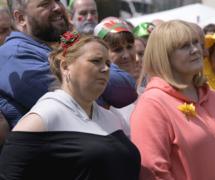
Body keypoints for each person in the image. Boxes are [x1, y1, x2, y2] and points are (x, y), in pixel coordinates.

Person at [0, 32, 141, 180]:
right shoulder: (43, 118)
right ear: (66, 66)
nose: (105, 69)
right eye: (96, 61)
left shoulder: (110, 117)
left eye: (107, 63)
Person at [130, 20, 215, 180]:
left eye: (196, 43)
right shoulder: (152, 104)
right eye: (184, 46)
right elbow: (153, 171)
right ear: (164, 55)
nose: (195, 50)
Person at [0, 0, 137, 129]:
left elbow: (127, 89)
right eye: (45, 3)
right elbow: (78, 107)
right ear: (20, 18)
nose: (58, 7)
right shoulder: (14, 55)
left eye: (58, 0)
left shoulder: (66, 45)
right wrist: (102, 96)